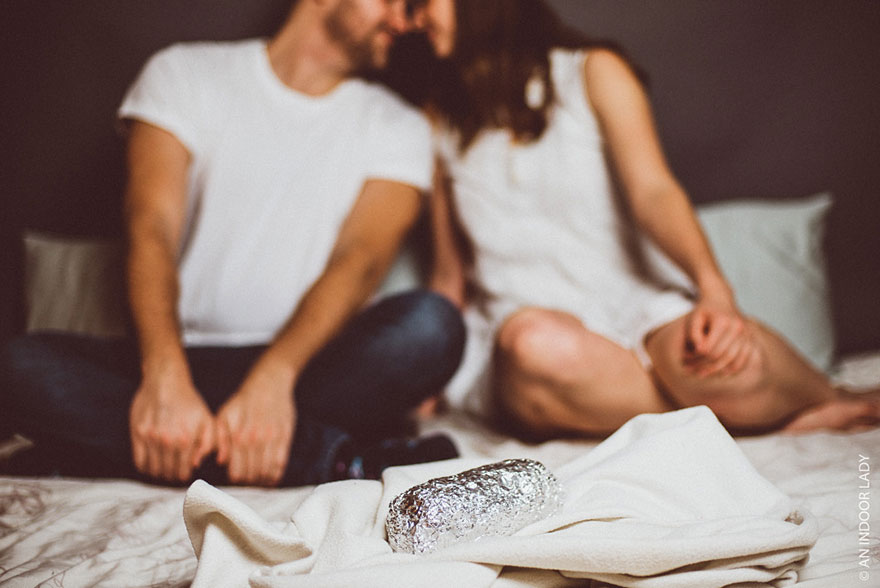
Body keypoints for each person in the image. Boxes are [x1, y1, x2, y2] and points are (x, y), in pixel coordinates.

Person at [0, 0, 466, 487]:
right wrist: (164, 376)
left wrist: (274, 378)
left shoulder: (399, 126)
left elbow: (359, 261)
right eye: (393, 1)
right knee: (18, 366)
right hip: (181, 359)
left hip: (310, 369)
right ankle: (339, 461)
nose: (404, 21)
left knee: (432, 327)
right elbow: (150, 225)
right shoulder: (182, 74)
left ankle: (107, 454)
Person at [388, 0, 880, 438]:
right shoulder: (439, 121)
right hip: (532, 343)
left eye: (421, 3)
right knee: (533, 344)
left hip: (635, 309)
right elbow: (449, 273)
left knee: (737, 365)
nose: (412, 20)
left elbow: (655, 191)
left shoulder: (594, 71)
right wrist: (429, 375)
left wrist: (714, 288)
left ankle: (819, 399)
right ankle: (760, 419)